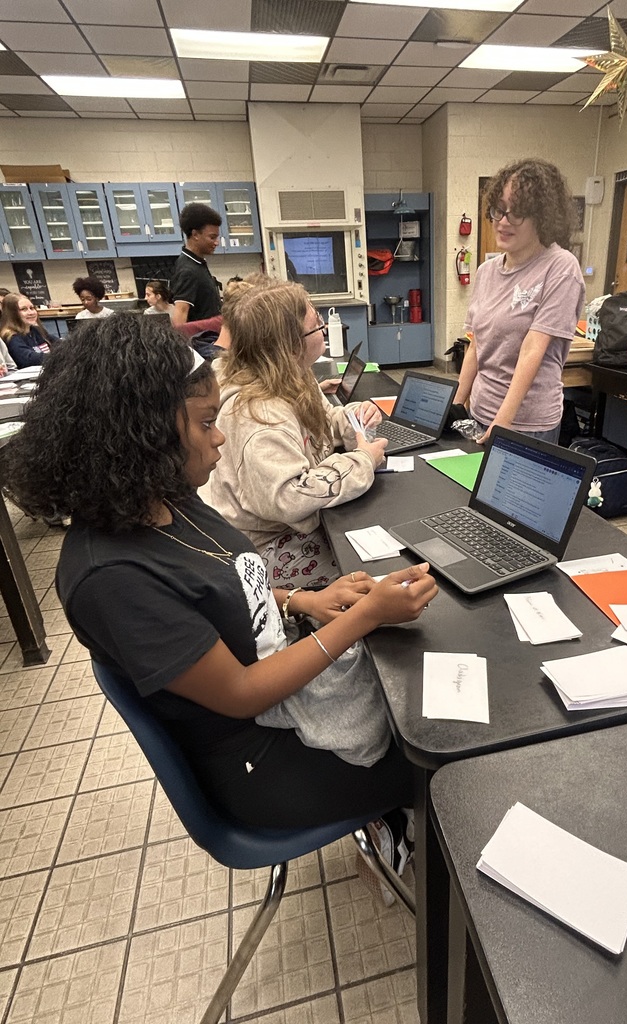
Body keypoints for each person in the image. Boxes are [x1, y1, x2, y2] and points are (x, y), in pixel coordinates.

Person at [0, 314, 436, 831]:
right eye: (206, 423)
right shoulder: (111, 579)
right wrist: (362, 618)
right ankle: (405, 837)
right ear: (144, 432)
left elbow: (224, 580)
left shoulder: (164, 498)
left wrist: (300, 600)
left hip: (281, 702)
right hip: (262, 762)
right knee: (436, 756)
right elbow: (243, 691)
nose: (221, 437)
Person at [207, 281, 386, 587]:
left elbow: (321, 422)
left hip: (282, 530)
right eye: (317, 326)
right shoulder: (259, 413)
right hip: (262, 550)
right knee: (373, 576)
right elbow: (289, 496)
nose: (325, 332)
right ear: (290, 345)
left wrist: (350, 419)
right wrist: (362, 461)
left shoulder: (291, 375)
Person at [456, 158, 585, 444]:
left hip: (527, 424)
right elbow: (476, 345)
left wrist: (503, 422)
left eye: (517, 213)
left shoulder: (561, 268)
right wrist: (454, 405)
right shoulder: (487, 272)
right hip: (480, 411)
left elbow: (532, 351)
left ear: (542, 216)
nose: (503, 221)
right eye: (499, 210)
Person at [170, 203, 222, 328]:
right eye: (212, 237)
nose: (217, 242)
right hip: (202, 343)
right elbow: (180, 315)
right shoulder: (188, 270)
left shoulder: (197, 263)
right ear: (195, 235)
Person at [0, 292, 51, 368]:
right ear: (12, 314)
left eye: (32, 308)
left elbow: (61, 345)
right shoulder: (11, 337)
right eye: (24, 309)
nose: (31, 313)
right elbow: (28, 359)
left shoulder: (36, 330)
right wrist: (59, 355)